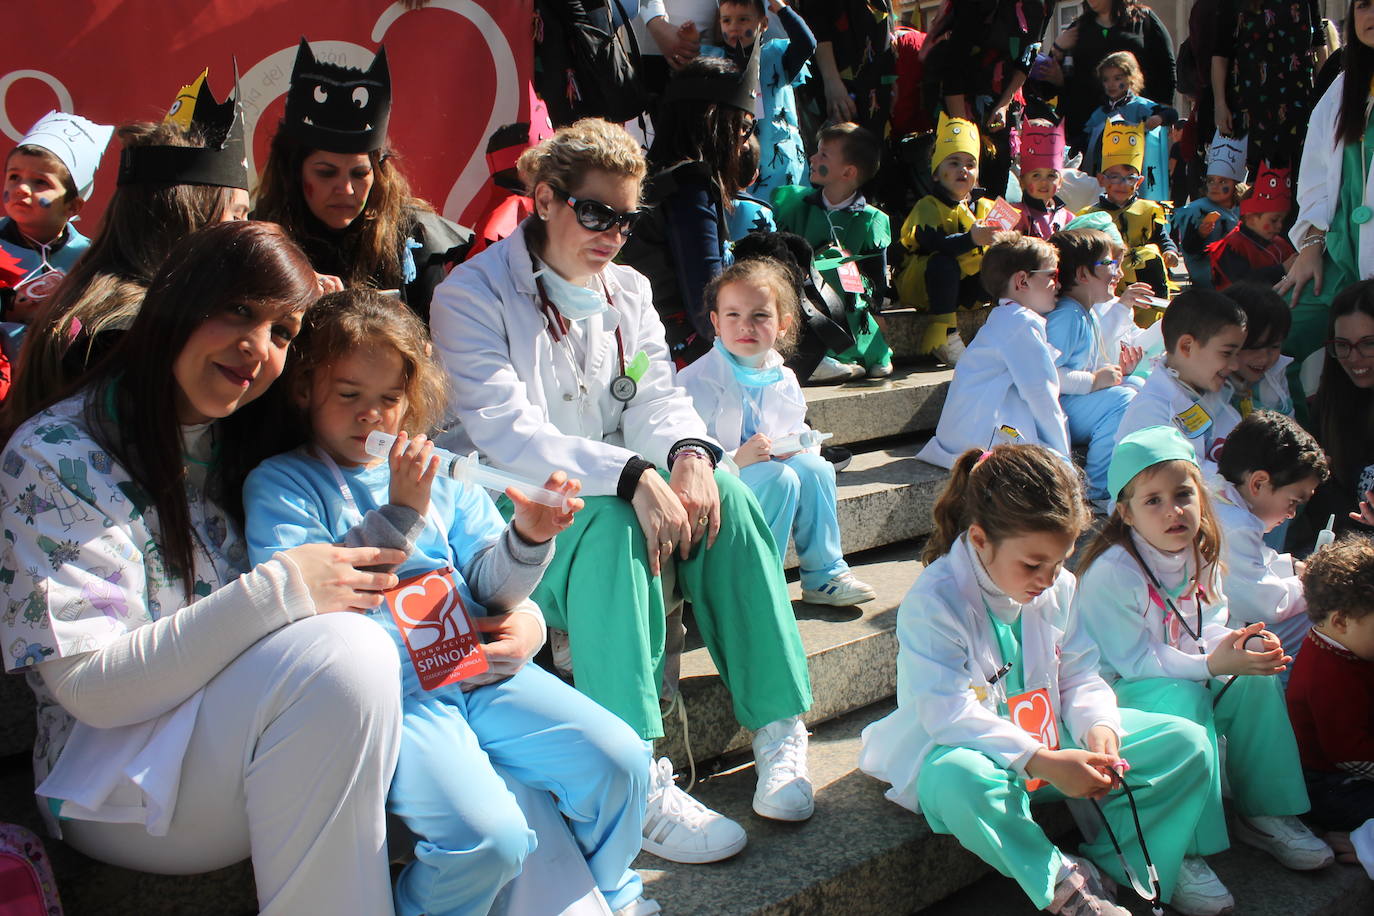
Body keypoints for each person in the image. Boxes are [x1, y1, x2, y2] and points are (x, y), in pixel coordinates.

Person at [0, 220, 414, 914]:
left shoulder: (243, 446)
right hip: (109, 786)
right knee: (344, 657)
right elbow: (90, 690)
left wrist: (514, 601)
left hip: (239, 742)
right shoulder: (53, 453)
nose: (258, 347)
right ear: (179, 300)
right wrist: (281, 590)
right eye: (240, 312)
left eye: (283, 333)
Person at [429, 118, 814, 864]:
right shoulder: (469, 294)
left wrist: (691, 455)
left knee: (725, 496)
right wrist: (635, 474)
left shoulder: (629, 289)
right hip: (512, 511)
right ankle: (633, 774)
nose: (613, 233)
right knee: (607, 525)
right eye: (596, 212)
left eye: (627, 218)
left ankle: (777, 727)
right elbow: (509, 434)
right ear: (544, 198)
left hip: (612, 485)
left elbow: (654, 398)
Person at [242, 290, 652, 916]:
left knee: (621, 761)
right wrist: (402, 511)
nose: (371, 418)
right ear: (305, 390)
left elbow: (490, 589)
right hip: (395, 700)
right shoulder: (283, 483)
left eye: (388, 400)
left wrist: (529, 537)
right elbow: (308, 605)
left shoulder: (441, 472)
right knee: (490, 840)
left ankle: (606, 893)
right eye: (348, 395)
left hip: (474, 669)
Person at [860, 443, 1216, 916]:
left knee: (1187, 744)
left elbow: (1079, 675)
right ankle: (1063, 887)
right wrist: (1041, 759)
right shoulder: (936, 600)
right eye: (1033, 565)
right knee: (960, 781)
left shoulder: (1058, 586)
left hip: (1052, 747)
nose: (1049, 580)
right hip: (977, 752)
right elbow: (947, 713)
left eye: (1059, 562)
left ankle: (1109, 868)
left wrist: (1099, 728)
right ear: (981, 539)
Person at [1077, 426, 1335, 915]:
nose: (1173, 511)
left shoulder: (1203, 552)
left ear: (1203, 496)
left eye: (1183, 495)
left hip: (1182, 670)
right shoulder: (1112, 571)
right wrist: (1211, 664)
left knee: (1252, 680)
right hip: (1116, 696)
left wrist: (1238, 646)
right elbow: (1134, 662)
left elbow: (1210, 626)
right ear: (1125, 512)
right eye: (1152, 501)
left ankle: (1266, 813)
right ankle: (1184, 849)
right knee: (1185, 697)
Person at [2, 71, 253, 443]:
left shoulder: (158, 300)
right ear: (187, 215)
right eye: (236, 215)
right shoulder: (118, 330)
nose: (245, 231)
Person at [677, 258, 876, 606]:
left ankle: (824, 574)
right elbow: (681, 453)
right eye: (733, 315)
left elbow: (794, 427)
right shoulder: (696, 381)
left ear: (783, 324)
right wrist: (736, 460)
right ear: (716, 323)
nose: (746, 326)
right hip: (713, 491)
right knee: (777, 478)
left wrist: (799, 447)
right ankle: (751, 585)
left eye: (760, 316)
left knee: (814, 469)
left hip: (765, 476)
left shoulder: (782, 376)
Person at [255, 39, 472, 324]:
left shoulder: (415, 238)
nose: (345, 189)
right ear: (293, 173)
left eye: (359, 174)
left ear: (378, 175)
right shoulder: (262, 239)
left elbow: (439, 346)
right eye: (326, 172)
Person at [624, 55, 759, 365]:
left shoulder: (652, 176)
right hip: (681, 361)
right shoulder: (690, 186)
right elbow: (707, 303)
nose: (744, 144)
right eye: (743, 128)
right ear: (715, 124)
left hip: (645, 350)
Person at [1280, 3, 1374, 401]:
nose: (1371, 14)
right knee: (1275, 333)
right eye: (1365, 4)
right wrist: (1311, 246)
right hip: (1337, 253)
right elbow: (1317, 176)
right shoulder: (1344, 86)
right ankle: (1295, 446)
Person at [915, 235, 1069, 469]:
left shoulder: (1004, 318)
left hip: (961, 435)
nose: (1058, 284)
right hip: (978, 441)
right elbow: (1041, 394)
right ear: (1022, 281)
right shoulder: (1021, 323)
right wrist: (1063, 458)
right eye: (1052, 275)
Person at [771, 122, 894, 381]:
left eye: (824, 155)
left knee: (873, 352)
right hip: (808, 296)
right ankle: (818, 361)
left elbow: (875, 272)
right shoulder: (797, 206)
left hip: (849, 298)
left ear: (848, 172)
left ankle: (865, 355)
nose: (813, 158)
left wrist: (876, 308)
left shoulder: (871, 220)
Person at [1211, 410, 1328, 656]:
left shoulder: (1220, 496)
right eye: (1294, 501)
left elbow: (1254, 563)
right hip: (1210, 640)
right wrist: (1313, 583)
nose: (1292, 513)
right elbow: (1263, 603)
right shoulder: (1237, 523)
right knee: (1325, 619)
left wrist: (1293, 567)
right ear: (1258, 483)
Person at [1046, 228, 1141, 506]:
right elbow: (1049, 375)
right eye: (1108, 264)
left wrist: (1118, 372)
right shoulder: (1066, 316)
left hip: (1078, 404)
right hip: (1061, 409)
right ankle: (1096, 488)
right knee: (1123, 400)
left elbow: (1094, 364)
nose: (1116, 272)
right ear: (1082, 275)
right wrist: (1094, 380)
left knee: (1136, 386)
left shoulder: (1085, 312)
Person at [921, 0, 1052, 200]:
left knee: (994, 190)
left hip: (1002, 98)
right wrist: (965, 139)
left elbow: (1028, 55)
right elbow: (952, 72)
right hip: (960, 100)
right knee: (959, 189)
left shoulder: (1043, 4)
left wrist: (1004, 104)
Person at [896, 113, 1000, 365]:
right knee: (943, 262)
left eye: (970, 164)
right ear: (936, 172)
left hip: (968, 287)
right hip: (928, 285)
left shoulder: (986, 206)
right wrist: (971, 238)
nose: (962, 169)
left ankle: (1003, 326)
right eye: (953, 162)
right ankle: (944, 334)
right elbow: (937, 245)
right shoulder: (927, 206)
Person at [1287, 535, 1374, 833]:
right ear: (1340, 621)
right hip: (1329, 784)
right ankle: (1359, 843)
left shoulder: (1348, 645)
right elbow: (1350, 754)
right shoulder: (1328, 675)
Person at [0, 110, 113, 335]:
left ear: (72, 206)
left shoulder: (89, 259)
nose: (21, 189)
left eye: (40, 182)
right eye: (14, 177)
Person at [1115, 289, 1244, 474]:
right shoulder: (1153, 413)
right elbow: (1189, 482)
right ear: (1186, 346)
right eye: (1226, 353)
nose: (1235, 365)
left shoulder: (1212, 390)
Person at [700, 0, 816, 200]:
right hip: (733, 161)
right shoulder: (714, 61)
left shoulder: (777, 56)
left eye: (743, 19)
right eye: (727, 20)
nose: (734, 27)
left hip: (778, 164)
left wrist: (781, 8)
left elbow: (807, 43)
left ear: (763, 24)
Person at [1300, 280, 1374, 546]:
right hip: (1347, 554)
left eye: (1368, 343)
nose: (1354, 358)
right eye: (1343, 344)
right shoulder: (1330, 403)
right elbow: (1322, 495)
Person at [1211, 0, 1324, 172]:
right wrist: (1219, 104)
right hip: (1250, 109)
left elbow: (1318, 43)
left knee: (1298, 179)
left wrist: (1325, 98)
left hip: (1298, 105)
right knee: (1252, 186)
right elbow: (1221, 52)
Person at [1046, 0, 1177, 146]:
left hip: (1135, 128)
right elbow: (1047, 87)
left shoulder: (1143, 20)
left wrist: (1163, 115)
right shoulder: (1078, 29)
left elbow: (1166, 68)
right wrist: (1057, 48)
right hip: (1086, 132)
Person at [1078, 118, 1179, 298]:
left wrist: (1170, 251)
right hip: (1110, 284)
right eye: (1114, 177)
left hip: (1146, 282)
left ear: (1139, 182)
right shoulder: (1091, 216)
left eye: (1130, 178)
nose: (1122, 184)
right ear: (1101, 179)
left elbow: (1162, 237)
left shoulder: (1149, 211)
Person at [1081, 51, 1177, 202]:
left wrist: (1158, 118)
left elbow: (1171, 114)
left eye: (1117, 78)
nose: (1111, 84)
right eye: (1106, 80)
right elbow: (1085, 142)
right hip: (1108, 179)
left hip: (1135, 178)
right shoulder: (1099, 113)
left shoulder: (1141, 107)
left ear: (1131, 78)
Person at [1170, 131, 1245, 290]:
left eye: (1222, 181)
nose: (1215, 186)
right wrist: (1200, 235)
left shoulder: (1244, 209)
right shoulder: (1197, 210)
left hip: (1238, 279)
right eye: (1211, 181)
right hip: (1207, 282)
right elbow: (1189, 249)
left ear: (1235, 185)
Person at [1209, 164, 1297, 289]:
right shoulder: (1232, 245)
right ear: (1250, 218)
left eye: (1282, 220)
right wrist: (1282, 269)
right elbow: (1242, 280)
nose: (1280, 226)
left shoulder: (1280, 244)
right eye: (1274, 220)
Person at [1220, 281, 1295, 419]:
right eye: (1254, 347)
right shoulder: (1211, 380)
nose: (1264, 358)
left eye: (1274, 346)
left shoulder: (1277, 371)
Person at [1013, 120, 1075, 241]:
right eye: (1036, 175)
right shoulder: (1011, 213)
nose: (1044, 182)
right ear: (1022, 182)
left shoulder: (1068, 218)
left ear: (1060, 181)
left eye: (1051, 176)